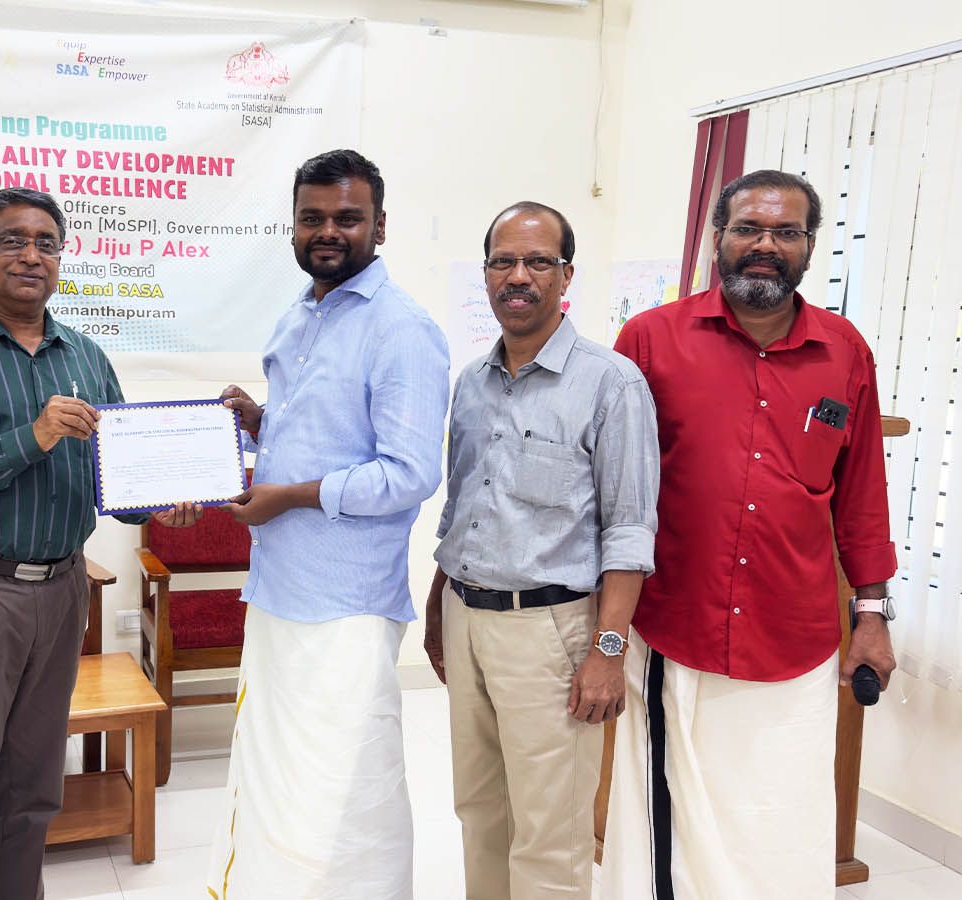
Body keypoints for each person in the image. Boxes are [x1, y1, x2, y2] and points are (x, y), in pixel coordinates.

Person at [0, 187, 190, 900]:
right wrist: (33, 436)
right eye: (12, 240)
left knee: (31, 790)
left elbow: (117, 473)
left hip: (61, 593)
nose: (30, 255)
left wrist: (161, 503)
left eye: (46, 243)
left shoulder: (84, 354)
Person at [603, 170, 898, 899]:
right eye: (748, 229)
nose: (766, 245)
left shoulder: (845, 352)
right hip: (675, 626)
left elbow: (862, 497)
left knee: (781, 815)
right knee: (669, 820)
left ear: (810, 246)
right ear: (718, 238)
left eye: (786, 232)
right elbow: (609, 487)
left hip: (792, 633)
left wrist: (871, 615)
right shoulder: (649, 340)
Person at [205, 149, 450, 899]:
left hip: (346, 603)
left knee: (344, 794)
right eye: (312, 217)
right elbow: (328, 433)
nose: (328, 231)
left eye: (348, 217)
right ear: (293, 224)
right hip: (277, 588)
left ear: (381, 225)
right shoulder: (298, 315)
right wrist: (260, 422)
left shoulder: (402, 328)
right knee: (275, 784)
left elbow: (408, 474)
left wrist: (288, 496)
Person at [423, 203, 659, 899]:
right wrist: (439, 605)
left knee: (550, 834)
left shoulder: (612, 384)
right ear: (486, 275)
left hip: (552, 633)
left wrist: (608, 651)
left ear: (566, 275)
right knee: (480, 811)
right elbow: (463, 509)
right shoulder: (472, 383)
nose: (518, 276)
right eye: (503, 262)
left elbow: (629, 531)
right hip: (467, 617)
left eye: (537, 262)